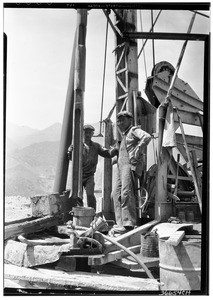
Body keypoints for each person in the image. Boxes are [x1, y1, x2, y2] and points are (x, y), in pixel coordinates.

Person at [112, 111, 151, 234]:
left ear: (130, 120)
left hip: (128, 165)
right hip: (120, 166)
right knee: (115, 194)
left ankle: (129, 224)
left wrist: (138, 150)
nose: (120, 122)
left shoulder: (133, 130)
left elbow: (147, 137)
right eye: (118, 120)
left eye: (123, 120)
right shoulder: (123, 135)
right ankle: (120, 223)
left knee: (126, 193)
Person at [68, 124, 118, 211]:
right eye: (85, 132)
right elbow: (70, 157)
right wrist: (70, 151)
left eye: (89, 133)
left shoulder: (96, 146)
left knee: (90, 195)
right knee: (78, 197)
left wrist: (116, 149)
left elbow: (107, 153)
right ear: (81, 134)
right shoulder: (76, 145)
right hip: (78, 176)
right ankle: (79, 214)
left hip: (89, 176)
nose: (87, 135)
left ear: (92, 134)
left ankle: (92, 213)